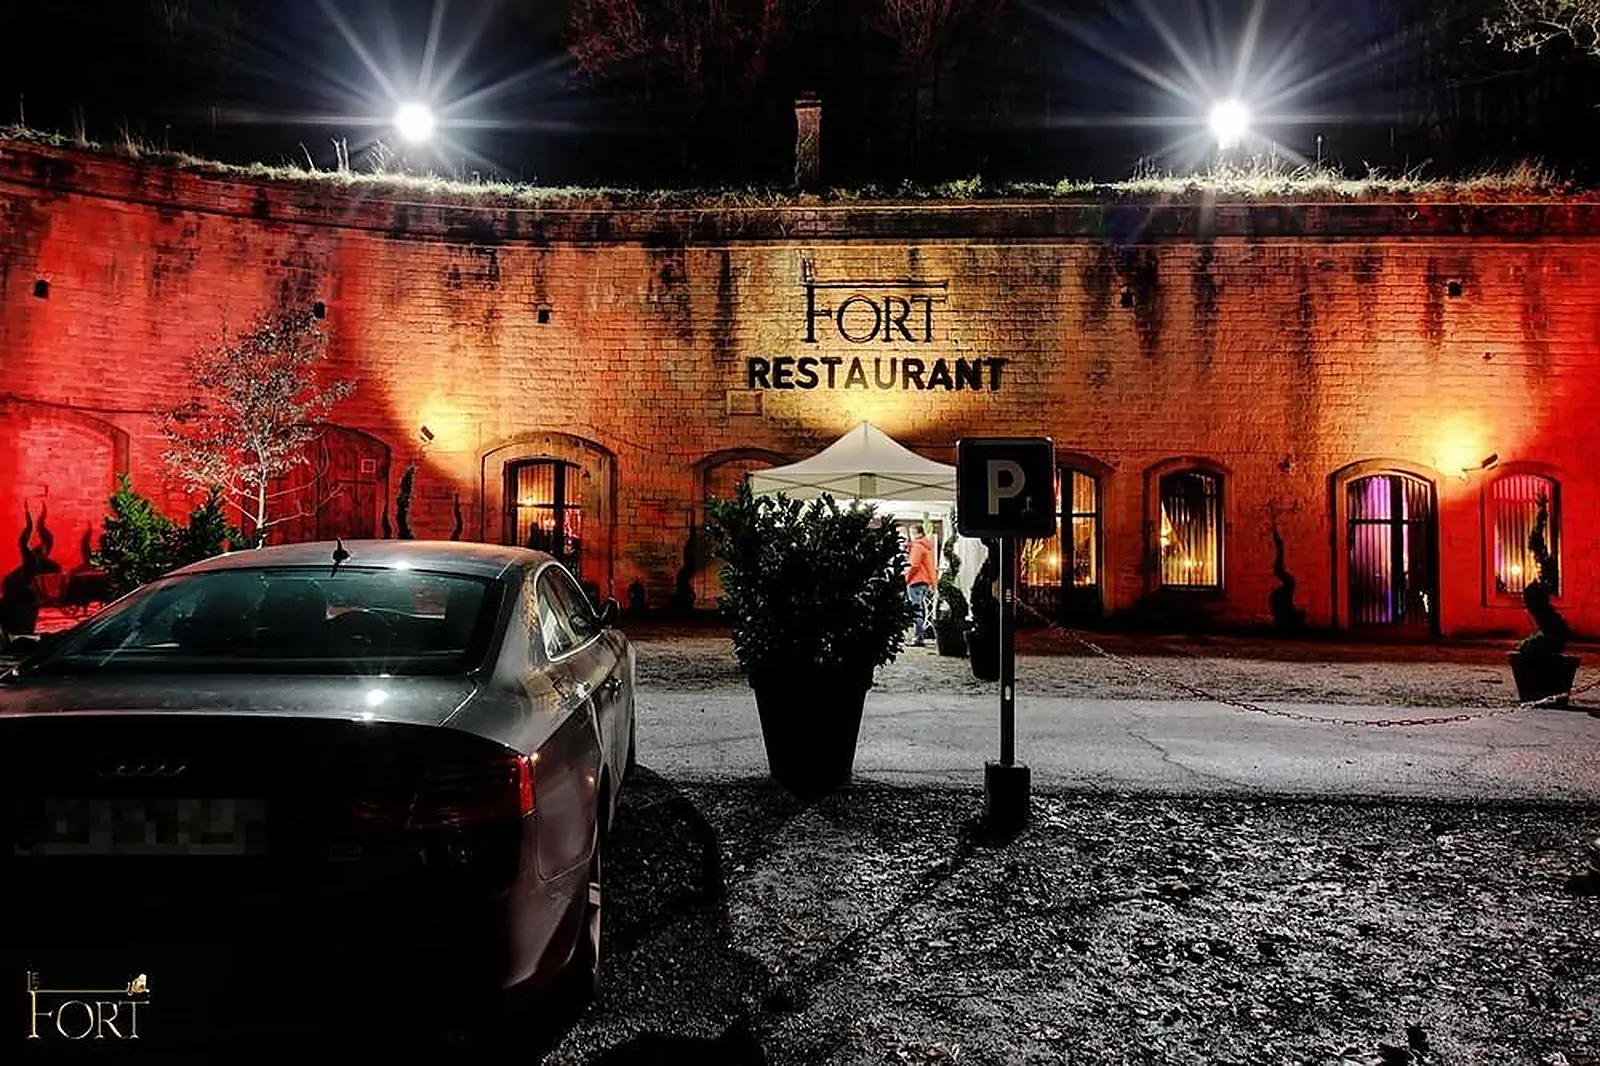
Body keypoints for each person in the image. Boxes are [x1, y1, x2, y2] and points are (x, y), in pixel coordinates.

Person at [904, 525, 937, 647]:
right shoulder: (926, 546)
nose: (910, 536)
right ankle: (920, 636)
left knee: (916, 609)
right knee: (920, 609)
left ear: (916, 533)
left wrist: (907, 578)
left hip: (915, 581)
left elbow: (914, 565)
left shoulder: (917, 546)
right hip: (924, 581)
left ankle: (918, 637)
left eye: (911, 533)